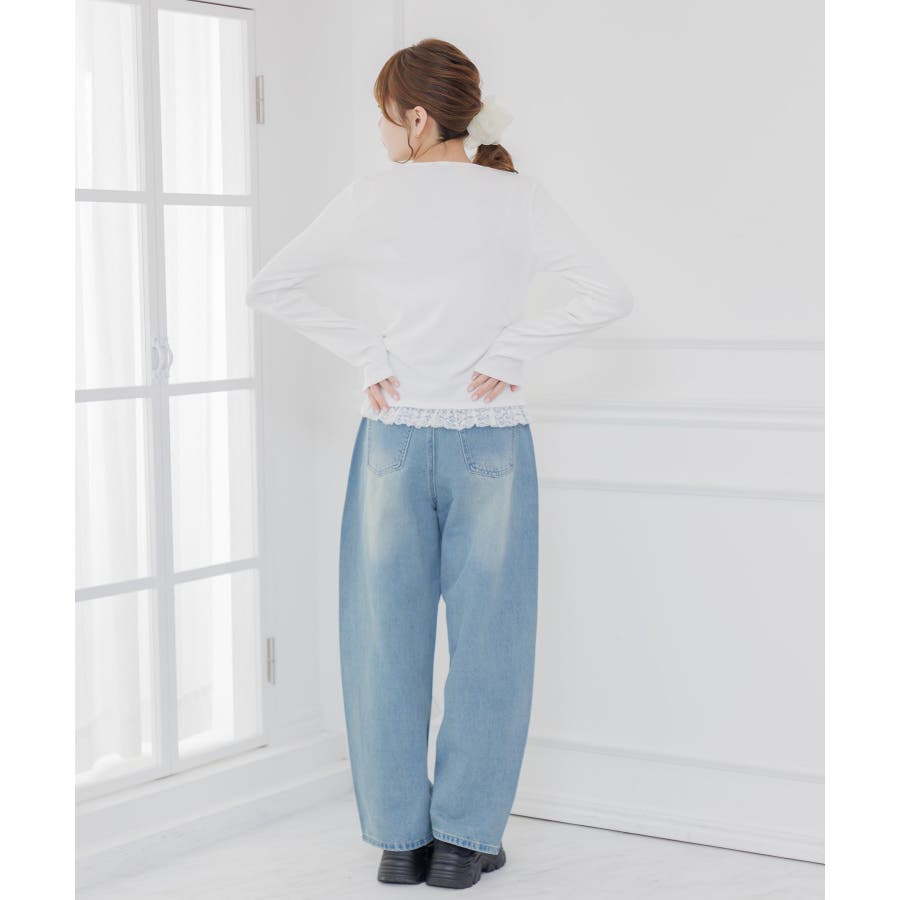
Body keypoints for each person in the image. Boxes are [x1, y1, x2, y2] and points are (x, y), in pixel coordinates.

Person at [245, 37, 634, 891]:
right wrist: (514, 347)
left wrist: (368, 352)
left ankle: (400, 842)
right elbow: (608, 294)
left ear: (418, 117)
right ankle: (462, 843)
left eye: (386, 116)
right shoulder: (516, 197)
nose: (383, 132)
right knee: (493, 645)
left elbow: (269, 285)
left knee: (382, 640)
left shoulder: (370, 198)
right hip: (491, 438)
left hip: (392, 437)